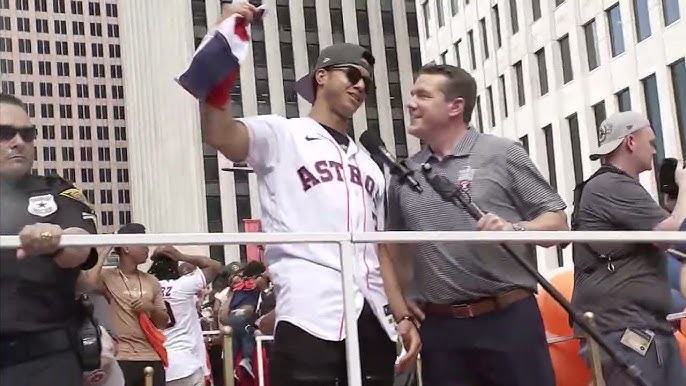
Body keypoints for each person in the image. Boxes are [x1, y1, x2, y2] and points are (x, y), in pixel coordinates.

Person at [184, 4, 421, 385]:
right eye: (352, 75)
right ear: (321, 76)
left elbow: (379, 248)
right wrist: (225, 34)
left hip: (372, 316)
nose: (361, 86)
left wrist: (402, 316)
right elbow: (220, 134)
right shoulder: (284, 134)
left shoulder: (369, 160)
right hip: (310, 311)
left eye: (368, 83)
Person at [383, 65, 568, 386]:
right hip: (441, 332)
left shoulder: (502, 153)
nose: (411, 103)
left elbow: (558, 223)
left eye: (423, 95)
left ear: (455, 106)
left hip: (509, 320)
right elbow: (393, 245)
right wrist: (403, 304)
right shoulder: (403, 175)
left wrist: (516, 230)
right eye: (412, 95)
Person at [571, 111, 686, 385]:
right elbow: (671, 234)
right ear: (631, 142)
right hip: (626, 328)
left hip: (637, 324)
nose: (655, 150)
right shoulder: (611, 185)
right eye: (652, 142)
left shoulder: (612, 186)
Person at [0, 93, 99, 386]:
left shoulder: (57, 192)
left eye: (27, 134)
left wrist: (55, 239)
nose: (18, 142)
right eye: (5, 133)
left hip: (44, 362)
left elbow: (79, 245)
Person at [94, 223, 170, 386]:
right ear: (126, 248)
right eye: (142, 243)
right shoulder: (108, 277)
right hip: (122, 356)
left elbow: (163, 322)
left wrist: (149, 307)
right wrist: (107, 247)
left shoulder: (151, 280)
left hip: (151, 356)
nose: (146, 248)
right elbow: (89, 281)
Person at [147, 245, 221, 386]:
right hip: (187, 361)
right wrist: (181, 256)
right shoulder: (181, 286)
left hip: (158, 363)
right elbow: (215, 266)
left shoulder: (145, 288)